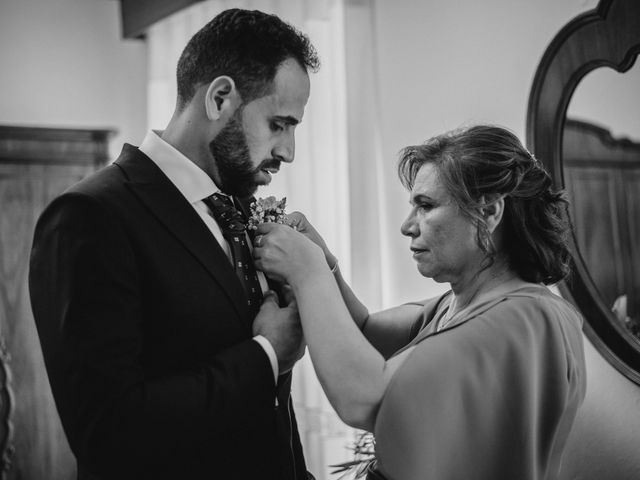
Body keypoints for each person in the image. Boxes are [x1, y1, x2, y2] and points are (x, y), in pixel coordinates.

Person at [29, 8, 318, 480]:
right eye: (279, 124)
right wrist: (266, 353)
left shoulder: (237, 208)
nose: (288, 151)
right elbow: (108, 430)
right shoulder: (90, 216)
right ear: (220, 98)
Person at [253, 125, 587, 480]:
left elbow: (365, 398)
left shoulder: (527, 317)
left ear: (488, 213)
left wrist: (308, 272)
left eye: (425, 206)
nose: (407, 226)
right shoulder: (458, 304)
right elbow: (364, 332)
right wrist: (325, 261)